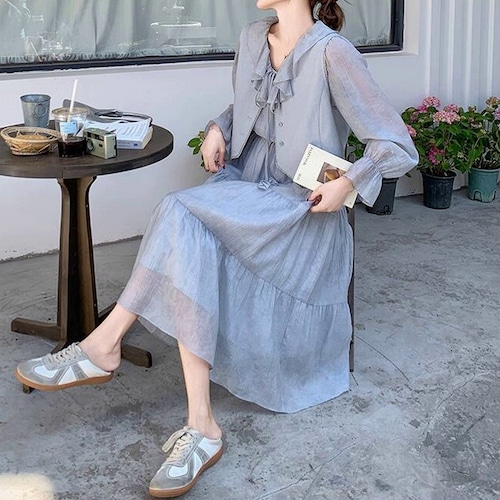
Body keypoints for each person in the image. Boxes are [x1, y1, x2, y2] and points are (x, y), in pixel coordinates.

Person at [15, 0, 418, 497]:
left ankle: (106, 347)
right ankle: (198, 421)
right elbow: (246, 108)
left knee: (180, 212)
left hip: (298, 209)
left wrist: (350, 181)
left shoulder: (333, 53)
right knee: (186, 228)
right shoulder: (253, 38)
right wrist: (217, 128)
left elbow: (395, 144)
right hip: (246, 187)